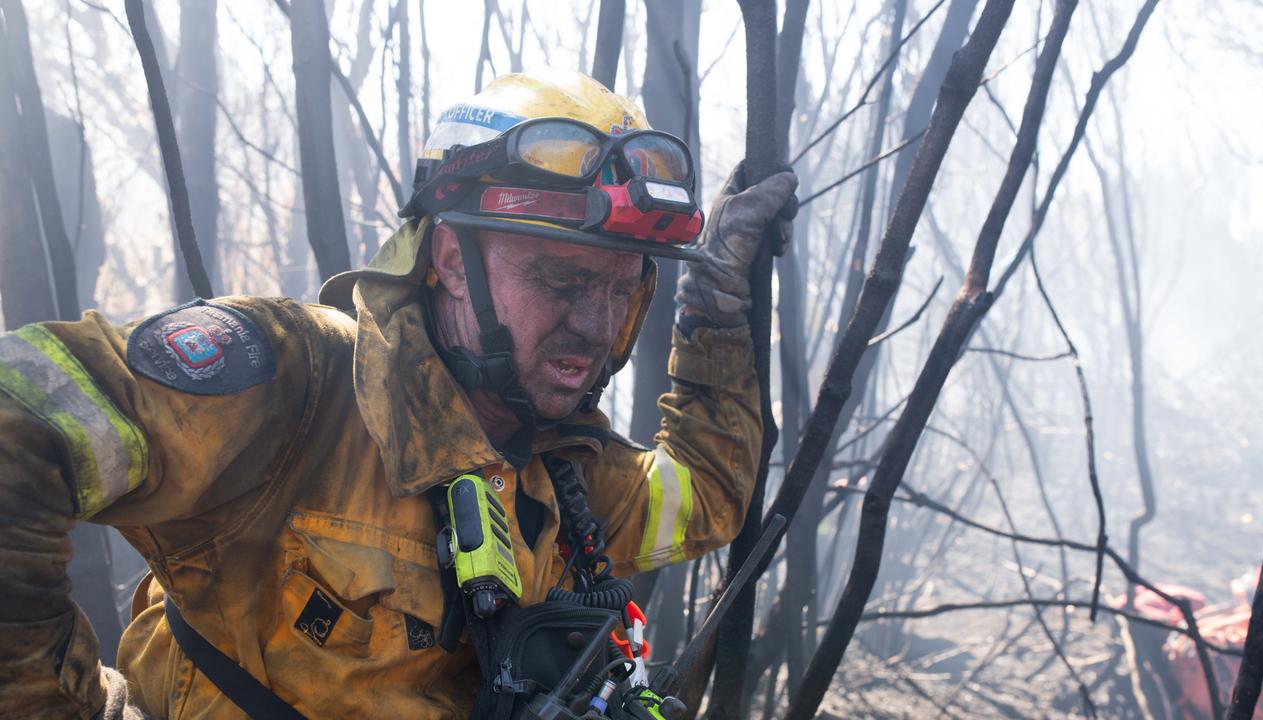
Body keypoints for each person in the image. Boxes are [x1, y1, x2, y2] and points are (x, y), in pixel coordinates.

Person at [0, 69, 797, 719]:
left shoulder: (563, 477)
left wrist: (718, 310)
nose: (596, 325)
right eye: (562, 279)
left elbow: (708, 494)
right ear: (450, 259)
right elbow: (17, 417)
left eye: (626, 291)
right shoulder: (297, 384)